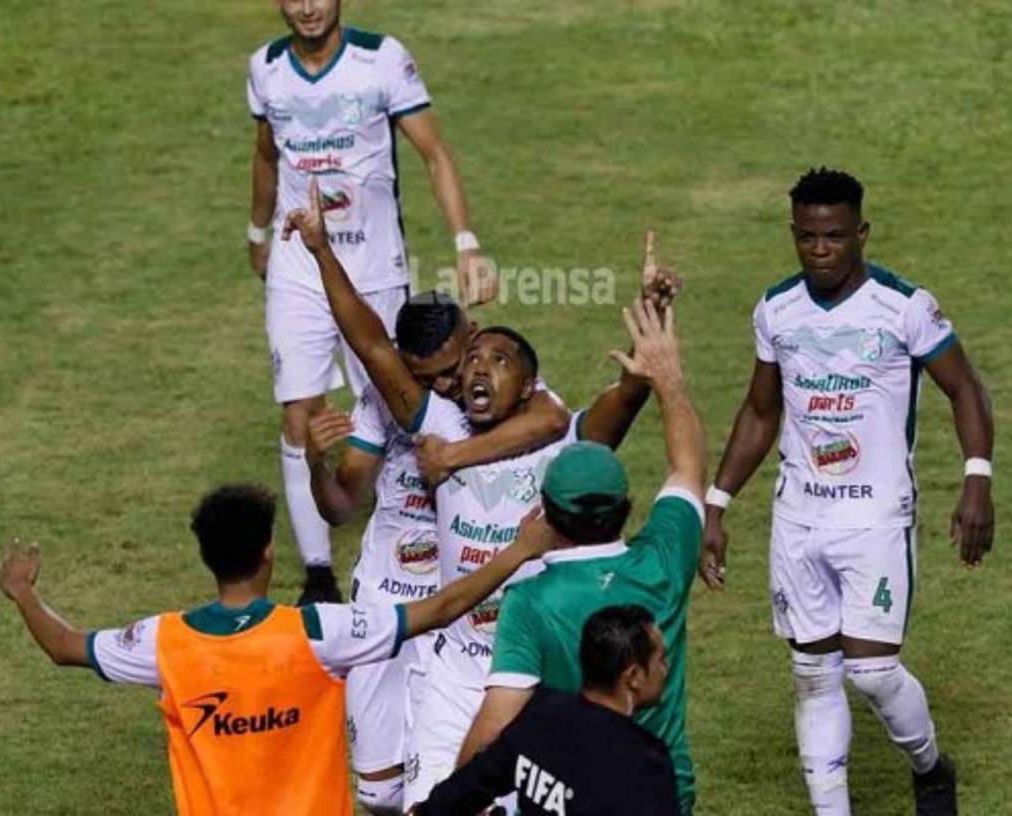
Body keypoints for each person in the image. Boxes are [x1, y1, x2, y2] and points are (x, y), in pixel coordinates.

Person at [281, 180, 670, 809]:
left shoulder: (557, 440)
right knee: (424, 804)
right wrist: (323, 251)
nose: (481, 367)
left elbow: (623, 400)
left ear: (530, 384)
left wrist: (651, 333)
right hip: (453, 665)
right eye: (475, 360)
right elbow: (371, 344)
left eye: (501, 359)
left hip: (530, 666)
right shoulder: (435, 423)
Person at [698, 168, 994, 815]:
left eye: (833, 236)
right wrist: (716, 504)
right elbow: (758, 412)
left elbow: (965, 386)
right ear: (793, 235)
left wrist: (977, 478)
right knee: (811, 674)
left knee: (872, 671)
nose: (820, 250)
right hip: (799, 518)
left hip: (877, 517)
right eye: (807, 237)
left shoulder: (904, 307)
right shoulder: (776, 310)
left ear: (860, 233)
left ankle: (930, 766)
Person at [0, 482, 554, 816]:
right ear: (268, 553)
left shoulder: (163, 642)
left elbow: (66, 647)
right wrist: (519, 549)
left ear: (207, 557)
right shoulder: (319, 633)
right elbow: (438, 609)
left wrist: (24, 594)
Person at [246, 0, 496, 603]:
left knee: (397, 400)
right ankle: (317, 575)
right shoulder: (266, 68)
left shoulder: (382, 60)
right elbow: (266, 155)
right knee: (301, 410)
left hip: (374, 268)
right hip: (298, 261)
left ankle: (425, 535)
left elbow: (434, 152)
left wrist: (467, 243)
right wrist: (257, 231)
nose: (307, 8)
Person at [305, 291, 568, 813]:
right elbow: (339, 508)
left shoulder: (504, 395)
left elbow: (554, 421)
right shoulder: (387, 401)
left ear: (471, 336)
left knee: (458, 785)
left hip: (455, 615)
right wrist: (314, 463)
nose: (442, 386)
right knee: (380, 793)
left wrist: (450, 456)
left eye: (450, 370)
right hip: (385, 605)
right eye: (424, 378)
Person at [458, 299, 707, 813]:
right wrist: (670, 377)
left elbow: (496, 723)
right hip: (663, 791)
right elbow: (687, 467)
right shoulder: (664, 560)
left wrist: (451, 802)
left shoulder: (529, 602)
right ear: (626, 507)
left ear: (545, 513)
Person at [411, 605, 681, 816]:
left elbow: (468, 788)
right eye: (660, 660)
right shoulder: (645, 761)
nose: (665, 669)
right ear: (633, 676)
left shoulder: (540, 712)